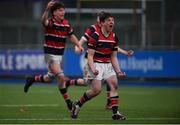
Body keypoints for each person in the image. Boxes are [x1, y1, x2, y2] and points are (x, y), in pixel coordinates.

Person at [23, 0, 84, 112]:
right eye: (60, 10)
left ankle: (32, 79)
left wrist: (78, 45)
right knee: (61, 77)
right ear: (54, 12)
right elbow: (43, 21)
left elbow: (71, 36)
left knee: (48, 78)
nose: (63, 12)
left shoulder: (66, 23)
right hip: (49, 55)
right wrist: (46, 9)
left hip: (59, 56)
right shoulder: (51, 22)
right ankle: (69, 103)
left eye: (63, 10)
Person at [69, 11, 134, 109]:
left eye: (112, 20)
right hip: (91, 61)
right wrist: (78, 46)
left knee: (111, 81)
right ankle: (69, 83)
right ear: (100, 21)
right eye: (107, 20)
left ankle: (110, 104)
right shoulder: (93, 29)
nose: (110, 22)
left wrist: (125, 52)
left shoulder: (112, 34)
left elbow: (112, 47)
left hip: (105, 62)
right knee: (88, 84)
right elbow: (83, 39)